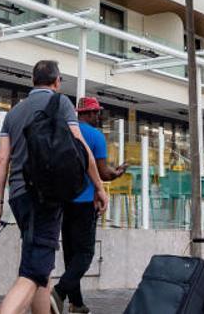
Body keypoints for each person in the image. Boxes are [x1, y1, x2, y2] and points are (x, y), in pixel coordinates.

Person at [0, 60, 107, 314]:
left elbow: (1, 160)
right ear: (57, 81)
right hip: (45, 197)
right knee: (33, 272)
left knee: (42, 268)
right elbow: (80, 148)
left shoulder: (13, 113)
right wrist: (99, 185)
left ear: (33, 81)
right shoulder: (60, 102)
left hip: (18, 196)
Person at [53, 97, 126, 313]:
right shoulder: (95, 136)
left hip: (63, 201)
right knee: (85, 253)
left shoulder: (64, 132)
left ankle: (77, 304)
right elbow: (103, 173)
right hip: (85, 202)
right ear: (88, 114)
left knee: (70, 253)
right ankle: (59, 292)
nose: (98, 116)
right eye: (95, 113)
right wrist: (117, 173)